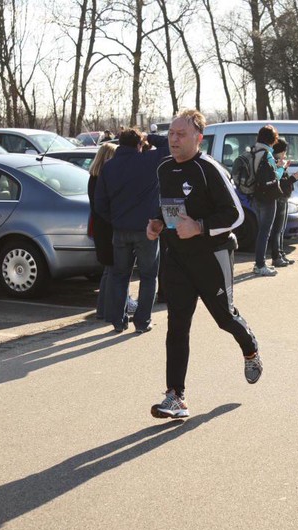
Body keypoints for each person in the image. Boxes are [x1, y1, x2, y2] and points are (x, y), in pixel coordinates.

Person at [146, 109, 262, 420]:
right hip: (177, 259)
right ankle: (176, 396)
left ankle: (250, 347)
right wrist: (157, 223)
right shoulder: (165, 168)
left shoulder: (208, 169)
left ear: (198, 138)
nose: (173, 139)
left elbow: (236, 215)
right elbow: (168, 207)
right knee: (177, 326)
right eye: (171, 133)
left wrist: (199, 227)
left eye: (181, 134)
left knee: (225, 318)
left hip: (212, 256)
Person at [95, 127, 169, 333]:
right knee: (148, 276)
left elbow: (100, 202)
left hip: (120, 230)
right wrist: (149, 136)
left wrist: (114, 219)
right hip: (147, 229)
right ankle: (142, 321)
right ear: (139, 144)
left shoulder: (109, 167)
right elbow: (168, 146)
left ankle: (119, 321)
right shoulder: (148, 161)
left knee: (120, 276)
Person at [88, 142, 137, 321]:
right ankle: (109, 311)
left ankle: (103, 310)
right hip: (108, 228)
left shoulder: (94, 178)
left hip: (101, 228)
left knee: (109, 271)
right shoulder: (102, 179)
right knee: (114, 270)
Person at [251, 124, 284, 277]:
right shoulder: (267, 155)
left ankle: (259, 263)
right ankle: (260, 265)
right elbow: (274, 177)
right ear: (272, 139)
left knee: (261, 231)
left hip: (255, 195)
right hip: (267, 197)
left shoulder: (254, 151)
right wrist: (281, 168)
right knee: (265, 231)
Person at [270, 138, 298, 267]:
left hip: (283, 197)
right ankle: (276, 256)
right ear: (280, 151)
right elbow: (279, 182)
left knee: (281, 229)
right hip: (279, 198)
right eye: (284, 151)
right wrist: (293, 178)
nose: (285, 154)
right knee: (277, 229)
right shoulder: (275, 162)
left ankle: (281, 254)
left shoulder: (279, 162)